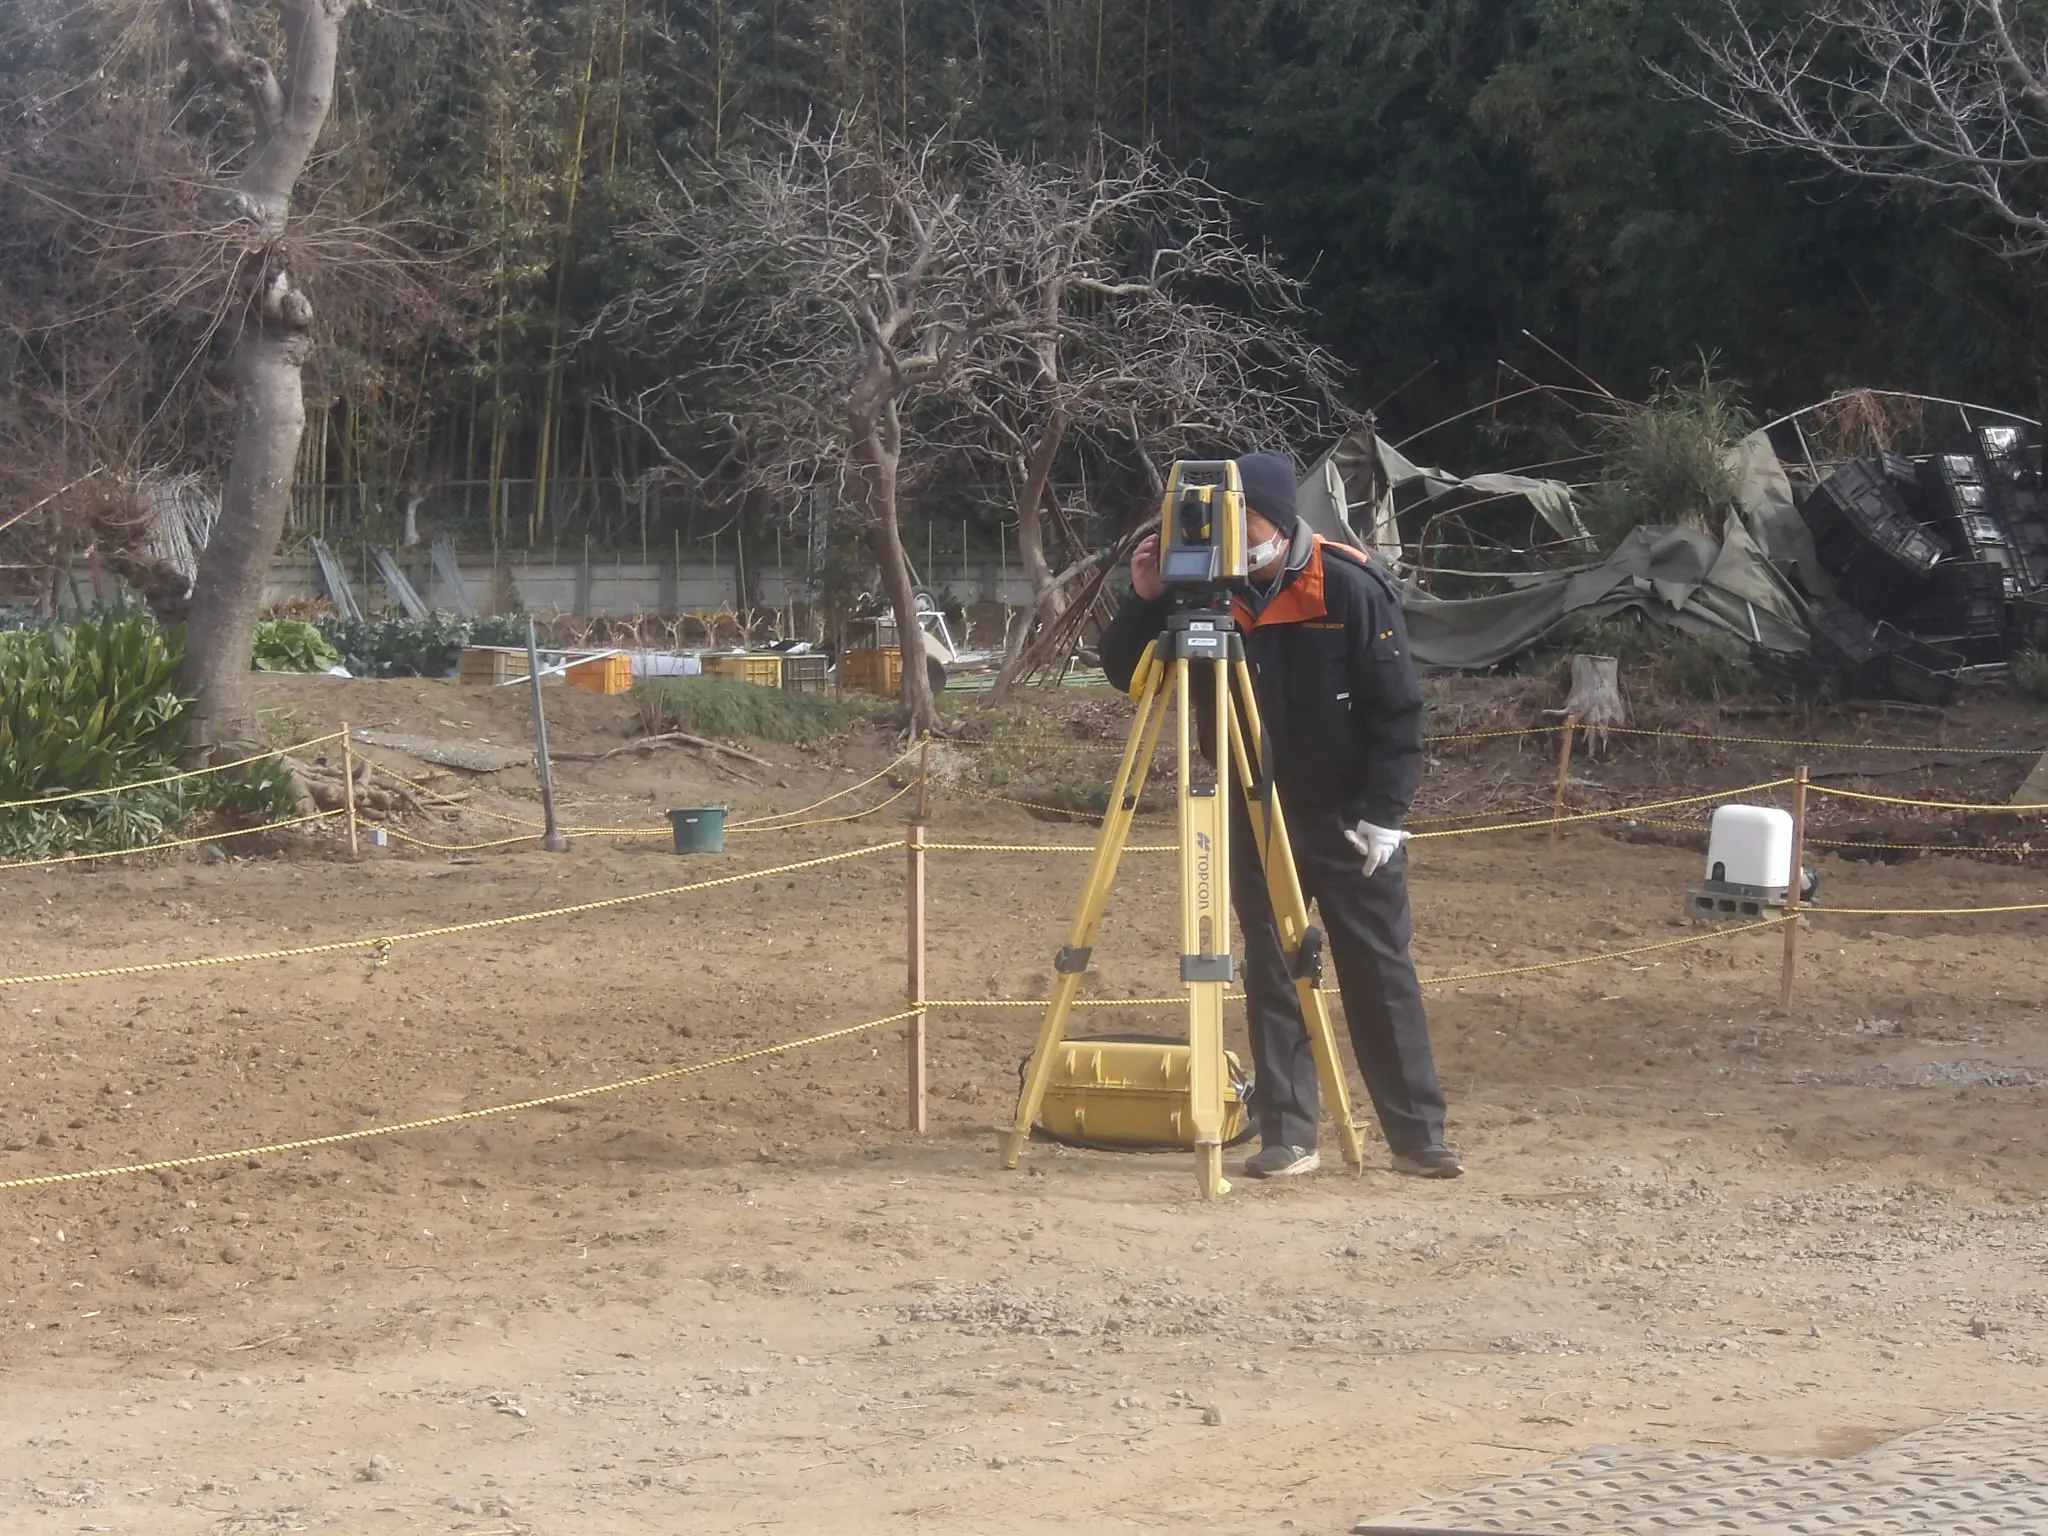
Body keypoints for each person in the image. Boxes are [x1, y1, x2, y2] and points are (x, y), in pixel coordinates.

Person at [1097, 451, 1461, 1180]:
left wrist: (1384, 814)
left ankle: (1417, 1137)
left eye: (1242, 520)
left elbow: (1398, 710)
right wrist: (1144, 598)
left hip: (1346, 817)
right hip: (1252, 806)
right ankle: (1289, 1134)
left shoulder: (1346, 586)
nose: (1226, 534)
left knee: (1378, 972)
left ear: (1276, 521)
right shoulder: (1201, 593)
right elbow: (1124, 674)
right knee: (1272, 968)